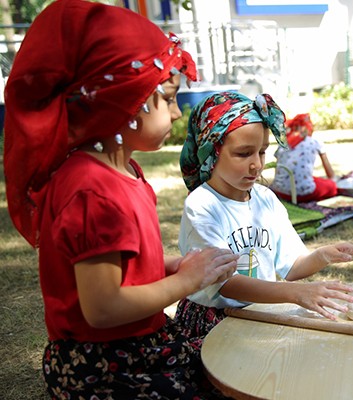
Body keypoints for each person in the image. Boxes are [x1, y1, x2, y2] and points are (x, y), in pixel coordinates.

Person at [2, 1, 241, 398]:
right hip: (105, 365)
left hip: (136, 344)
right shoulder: (93, 192)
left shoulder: (124, 171)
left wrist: (173, 264)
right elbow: (104, 307)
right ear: (121, 99)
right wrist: (187, 279)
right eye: (166, 98)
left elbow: (122, 265)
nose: (176, 112)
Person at [176, 91, 353, 337]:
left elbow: (291, 266)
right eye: (243, 153)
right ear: (211, 153)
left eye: (261, 152)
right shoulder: (203, 205)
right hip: (213, 322)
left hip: (260, 312)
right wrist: (296, 294)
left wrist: (323, 255)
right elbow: (226, 284)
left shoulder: (265, 199)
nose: (256, 165)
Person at [270, 113, 338, 202]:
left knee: (314, 179)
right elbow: (330, 175)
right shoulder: (315, 143)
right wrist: (333, 180)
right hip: (302, 193)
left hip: (279, 191)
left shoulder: (283, 144)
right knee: (331, 186)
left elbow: (279, 169)